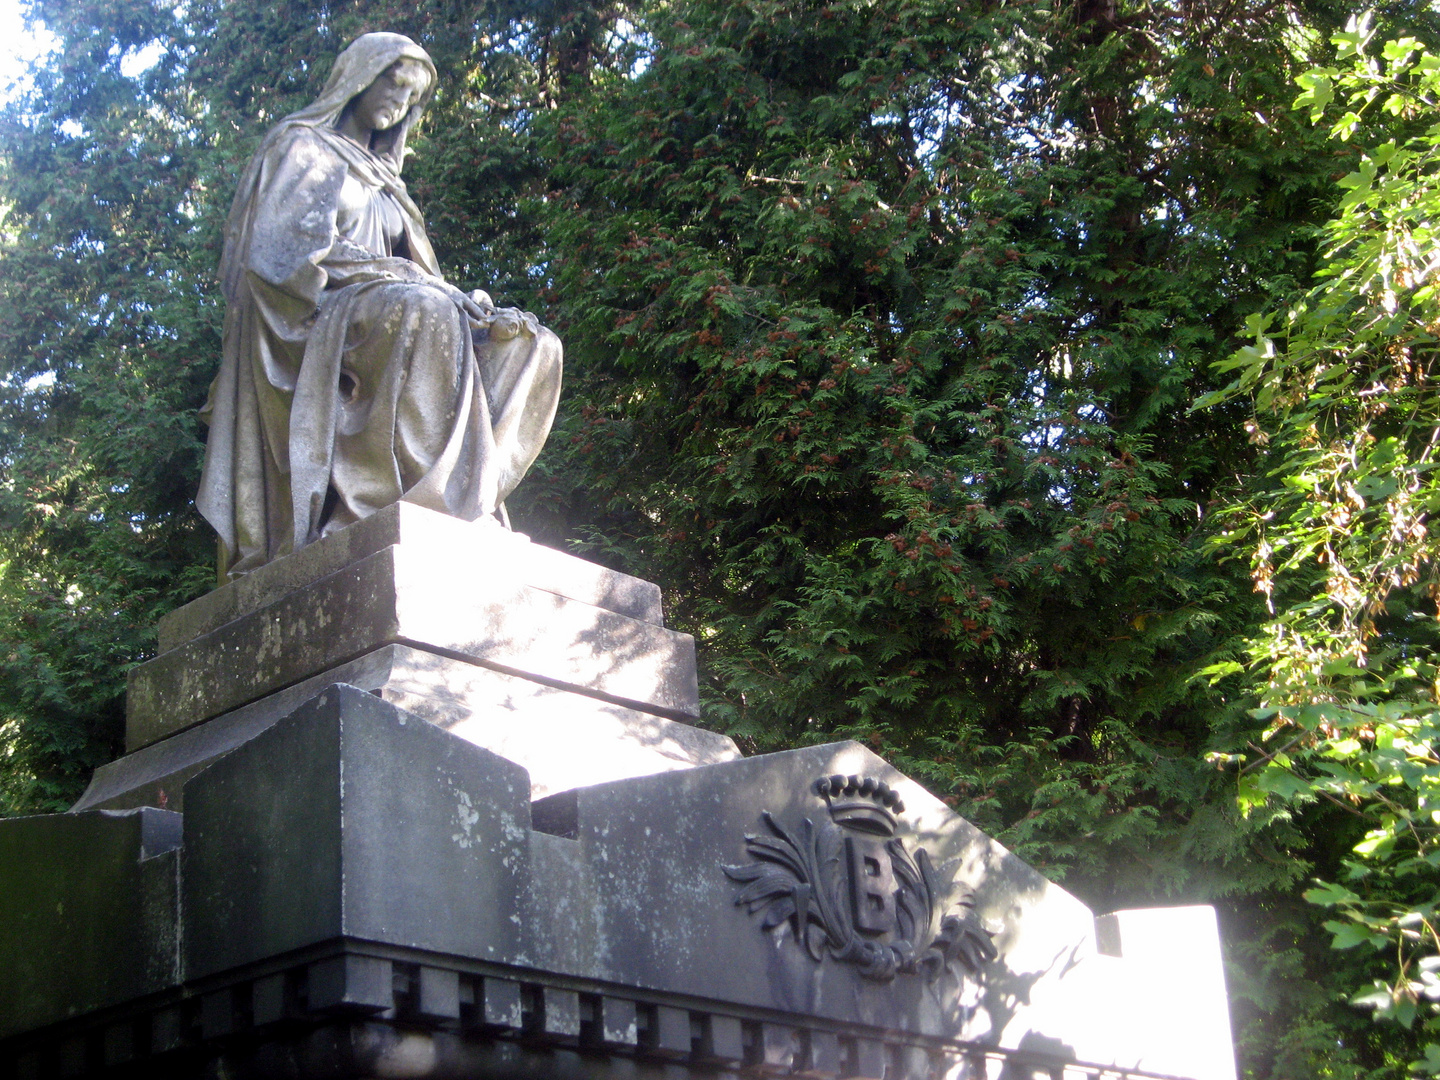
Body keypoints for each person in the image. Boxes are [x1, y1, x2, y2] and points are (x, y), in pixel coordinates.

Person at [197, 32, 562, 580]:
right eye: (394, 84)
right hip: (318, 310)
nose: (399, 103)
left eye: (411, 97)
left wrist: (470, 306)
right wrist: (414, 282)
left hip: (395, 304)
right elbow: (281, 257)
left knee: (532, 347)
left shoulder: (390, 185)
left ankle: (462, 504)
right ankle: (392, 503)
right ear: (359, 77)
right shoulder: (302, 147)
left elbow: (421, 274)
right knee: (425, 312)